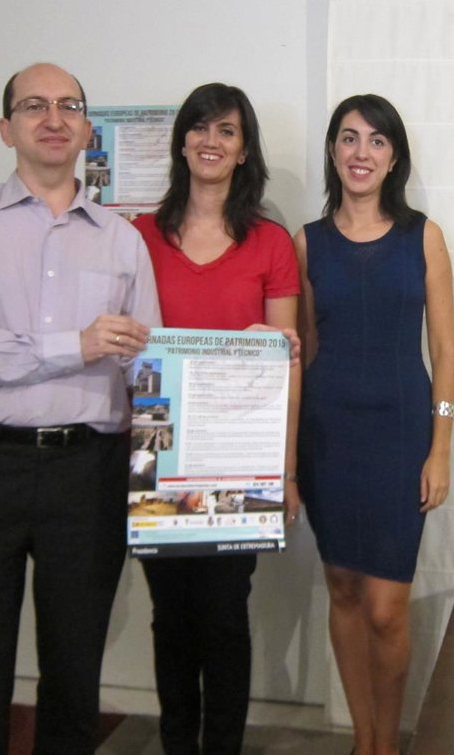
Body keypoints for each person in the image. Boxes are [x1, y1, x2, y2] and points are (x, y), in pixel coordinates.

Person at [0, 62, 161, 755]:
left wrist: (247, 359)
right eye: (34, 106)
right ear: (6, 128)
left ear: (86, 128)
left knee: (75, 670)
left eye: (69, 106)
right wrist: (71, 346)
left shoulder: (122, 240)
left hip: (88, 473)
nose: (53, 119)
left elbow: (148, 368)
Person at [132, 82, 301, 755]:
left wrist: (285, 471)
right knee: (170, 616)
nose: (212, 141)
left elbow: (289, 362)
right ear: (182, 142)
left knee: (226, 615)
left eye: (227, 130)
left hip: (238, 458)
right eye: (200, 127)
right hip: (159, 454)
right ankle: (177, 743)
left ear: (244, 149)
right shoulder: (139, 236)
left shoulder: (270, 242)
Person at [295, 94, 454, 755]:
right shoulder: (307, 242)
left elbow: (444, 351)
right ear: (333, 151)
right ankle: (363, 742)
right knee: (341, 590)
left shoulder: (424, 236)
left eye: (376, 141)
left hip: (400, 437)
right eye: (349, 138)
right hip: (326, 437)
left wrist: (440, 447)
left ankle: (386, 745)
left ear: (394, 159)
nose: (361, 152)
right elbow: (304, 348)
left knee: (387, 609)